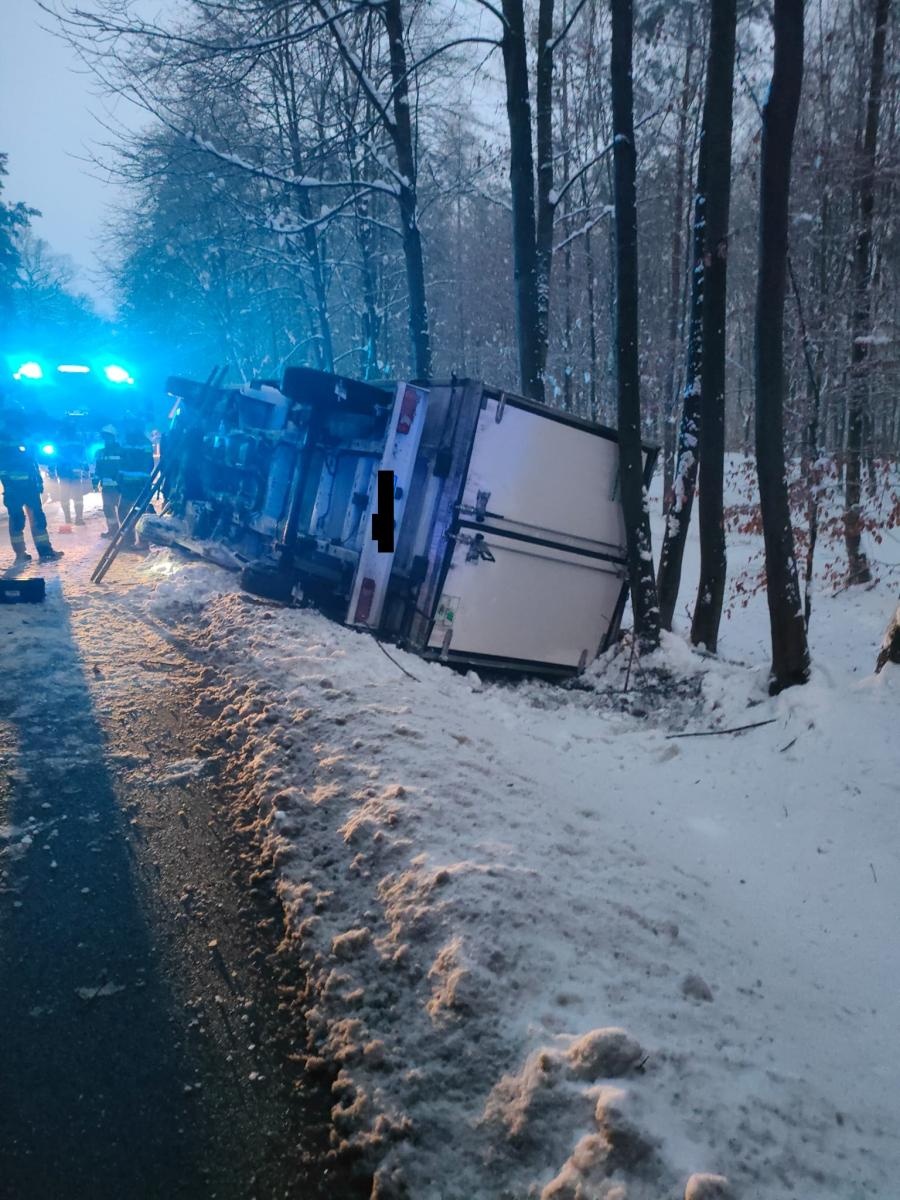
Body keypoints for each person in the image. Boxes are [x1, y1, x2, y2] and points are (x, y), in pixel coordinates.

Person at [0, 410, 64, 563]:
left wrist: (39, 480)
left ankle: (45, 551)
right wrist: (9, 483)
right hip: (15, 487)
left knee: (37, 519)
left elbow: (34, 461)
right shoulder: (4, 438)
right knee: (18, 519)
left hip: (28, 486)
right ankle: (21, 554)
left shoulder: (25, 436)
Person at [49, 423, 89, 525]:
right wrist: (85, 467)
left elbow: (54, 456)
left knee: (65, 496)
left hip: (64, 472)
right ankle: (78, 518)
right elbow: (83, 455)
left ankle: (69, 518)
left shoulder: (59, 439)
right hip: (74, 471)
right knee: (77, 497)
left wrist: (52, 469)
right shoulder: (78, 439)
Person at [93, 424, 124, 539]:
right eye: (105, 437)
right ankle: (113, 531)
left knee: (122, 510)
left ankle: (125, 532)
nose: (107, 439)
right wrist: (95, 481)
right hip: (106, 487)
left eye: (109, 437)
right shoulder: (100, 452)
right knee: (108, 509)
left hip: (120, 487)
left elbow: (125, 467)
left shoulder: (121, 451)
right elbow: (98, 469)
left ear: (114, 437)